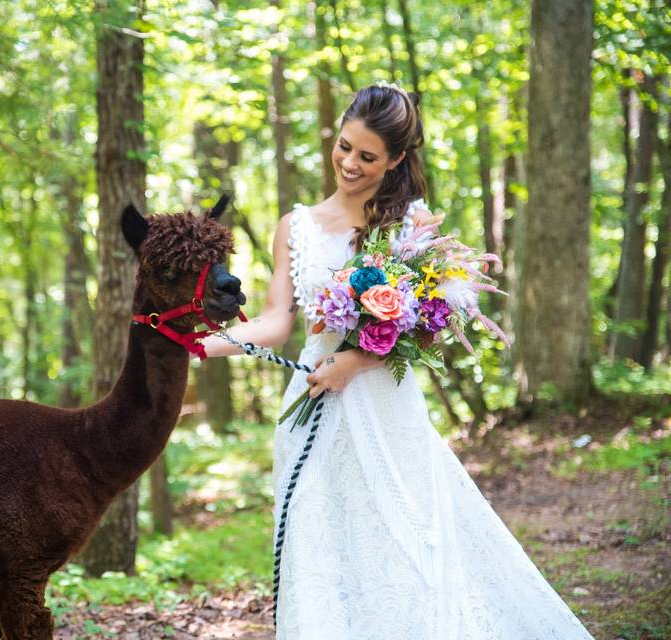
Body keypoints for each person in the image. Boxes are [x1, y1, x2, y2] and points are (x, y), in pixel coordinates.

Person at [200, 83, 594, 639]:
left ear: (397, 159)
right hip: (312, 402)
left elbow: (430, 327)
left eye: (367, 156)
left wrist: (354, 362)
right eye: (344, 147)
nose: (349, 164)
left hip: (384, 405)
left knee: (396, 535)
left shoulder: (411, 227)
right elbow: (275, 321)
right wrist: (197, 345)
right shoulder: (298, 225)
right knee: (316, 532)